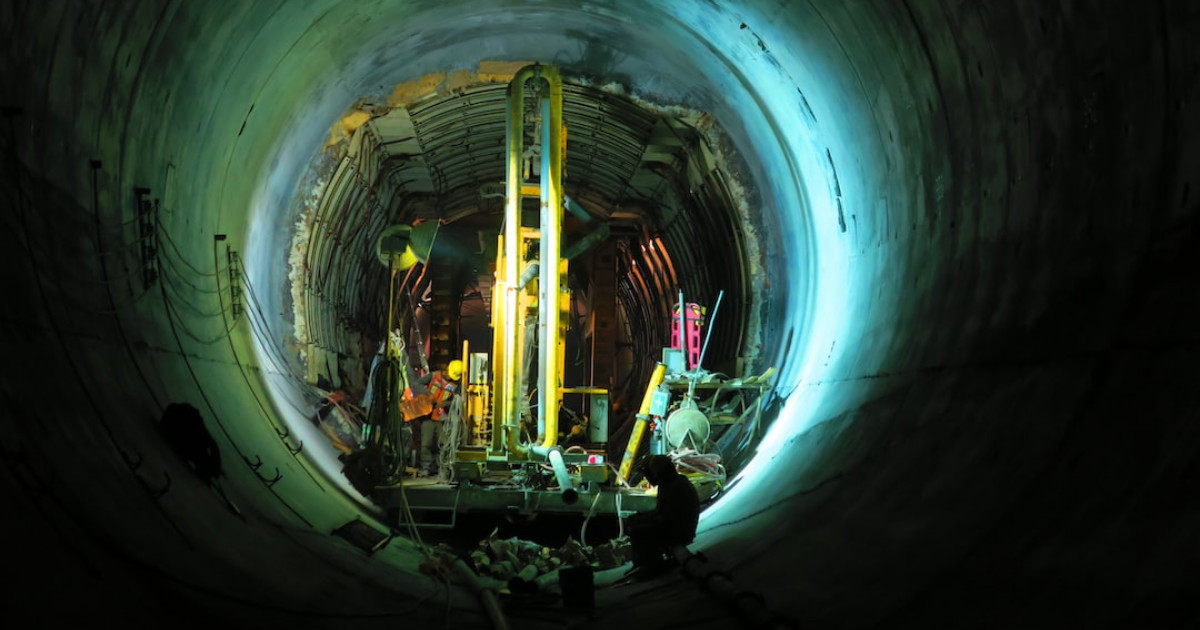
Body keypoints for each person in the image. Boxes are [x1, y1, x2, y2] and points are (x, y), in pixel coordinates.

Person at [625, 454, 700, 580]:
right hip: (679, 527)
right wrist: (640, 518)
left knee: (638, 531)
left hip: (680, 531)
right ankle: (643, 565)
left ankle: (650, 566)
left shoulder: (673, 486)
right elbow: (661, 512)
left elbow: (667, 518)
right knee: (638, 524)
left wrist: (642, 520)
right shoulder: (673, 483)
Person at [409, 359, 462, 476]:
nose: (449, 377)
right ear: (447, 369)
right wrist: (428, 395)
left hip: (442, 418)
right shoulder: (433, 376)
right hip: (428, 416)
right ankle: (426, 468)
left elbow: (457, 401)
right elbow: (416, 384)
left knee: (443, 444)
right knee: (426, 444)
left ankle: (442, 469)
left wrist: (446, 404)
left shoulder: (455, 386)